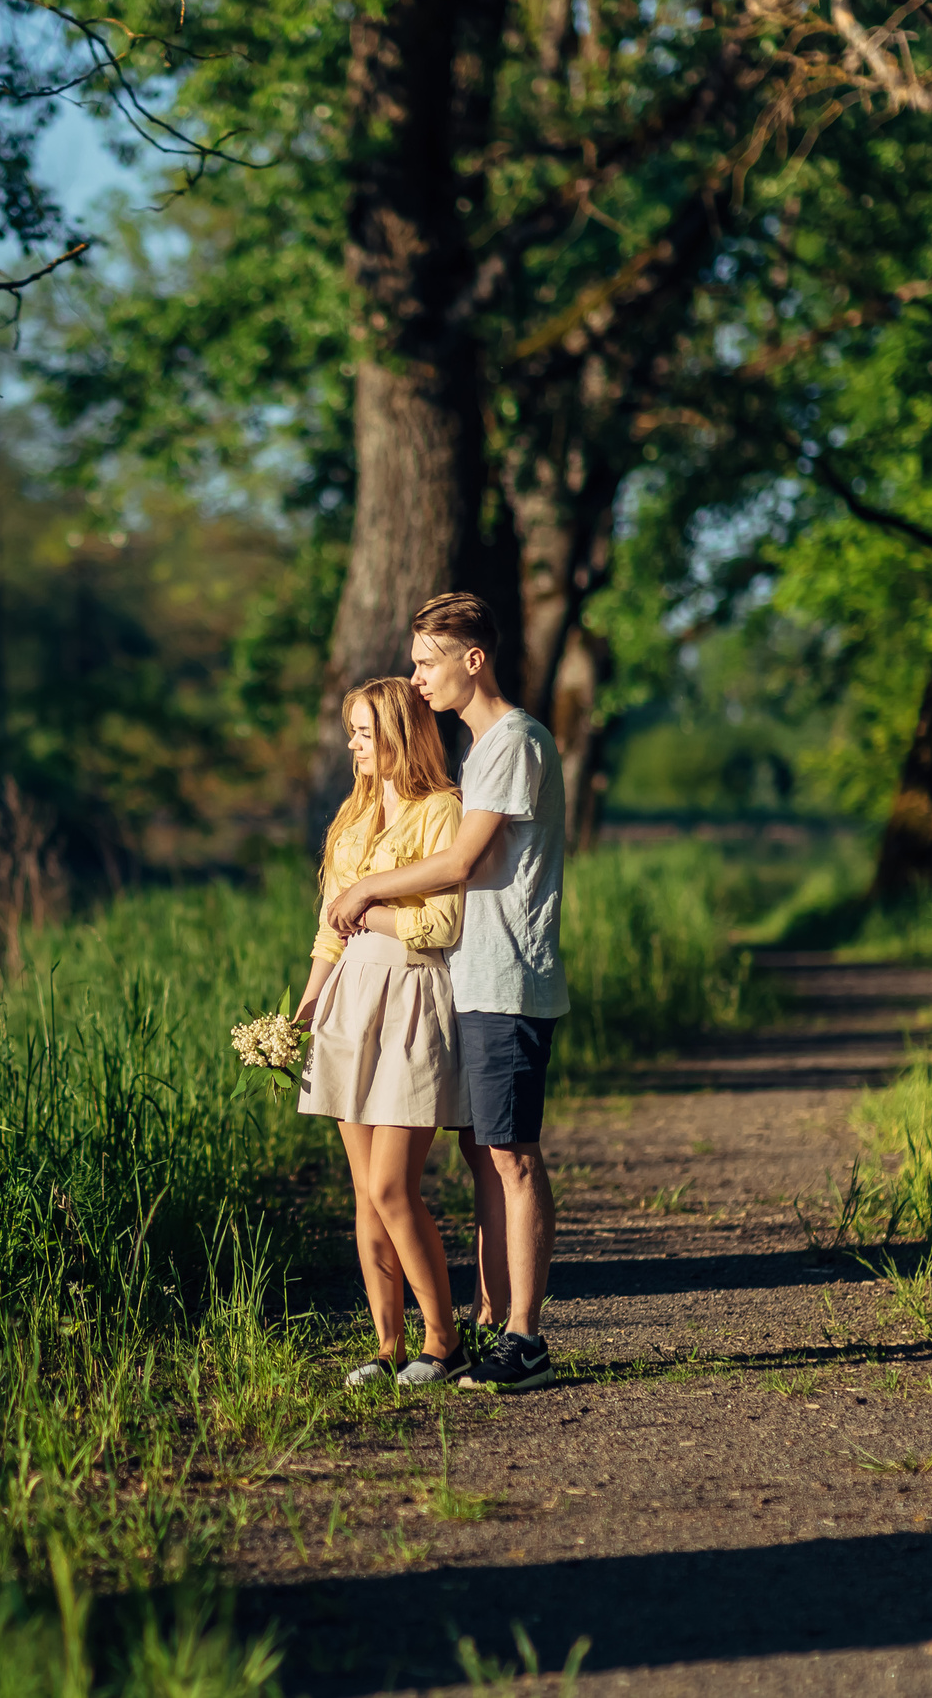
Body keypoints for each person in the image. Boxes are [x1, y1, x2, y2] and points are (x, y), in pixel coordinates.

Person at [330, 593, 567, 1394]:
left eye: (428, 661)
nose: (416, 677)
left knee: (511, 1156)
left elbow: (462, 865)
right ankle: (487, 1327)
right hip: (470, 980)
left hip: (504, 978)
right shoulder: (483, 752)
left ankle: (522, 1337)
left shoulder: (512, 743)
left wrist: (367, 890)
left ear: (474, 659)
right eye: (414, 661)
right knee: (486, 1158)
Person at [296, 676, 472, 1389]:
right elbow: (327, 930)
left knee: (394, 1186)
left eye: (365, 732)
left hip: (410, 999)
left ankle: (445, 1339)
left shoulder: (442, 813)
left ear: (400, 733)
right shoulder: (353, 816)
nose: (353, 744)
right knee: (364, 1192)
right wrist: (307, 1004)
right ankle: (388, 1344)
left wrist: (367, 906)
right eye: (352, 732)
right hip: (350, 1002)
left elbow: (443, 925)